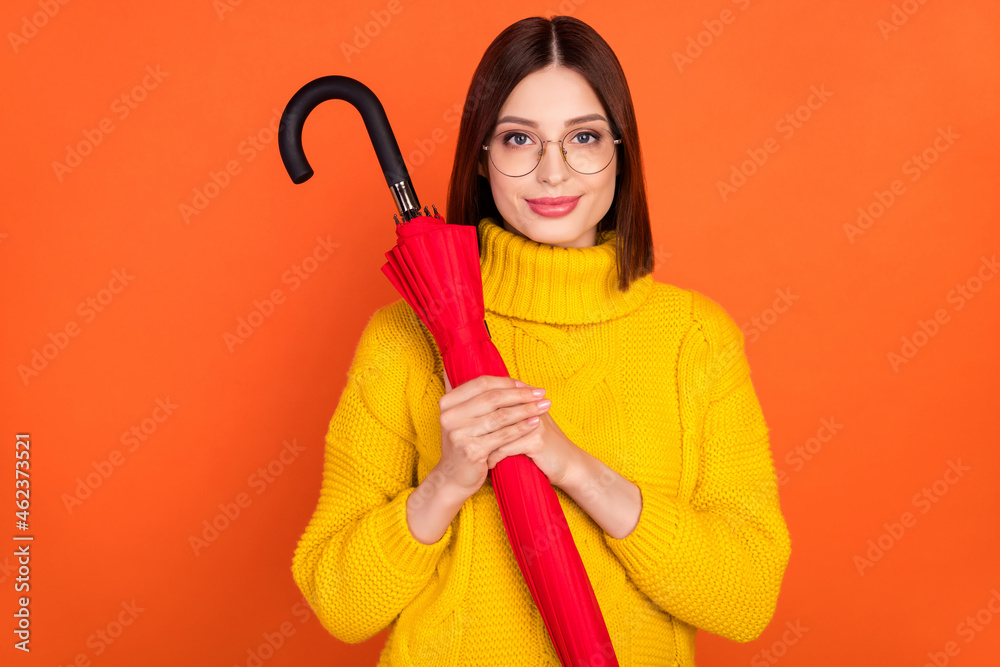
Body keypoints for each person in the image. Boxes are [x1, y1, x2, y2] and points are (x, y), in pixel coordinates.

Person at [291, 14, 791, 667]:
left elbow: (746, 598)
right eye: (519, 139)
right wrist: (447, 481)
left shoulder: (694, 339)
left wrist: (575, 469)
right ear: (482, 156)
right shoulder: (404, 336)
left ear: (620, 150)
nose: (553, 172)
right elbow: (341, 603)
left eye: (583, 137)